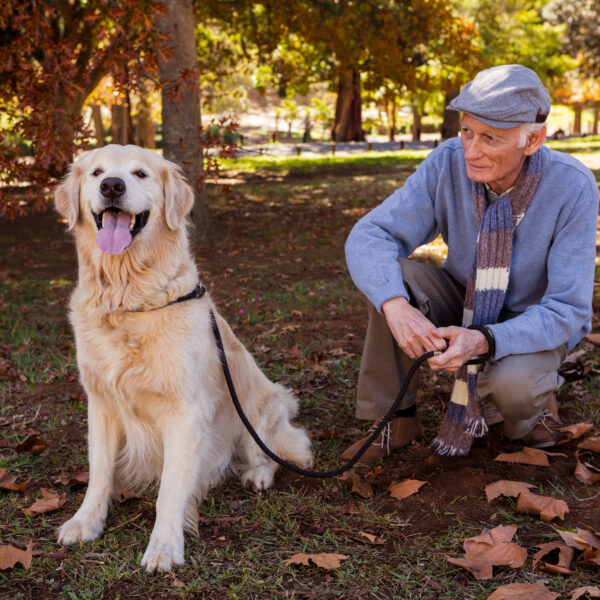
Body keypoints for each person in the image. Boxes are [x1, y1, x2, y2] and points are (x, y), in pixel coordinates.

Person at [343, 64, 599, 463]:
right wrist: (395, 306)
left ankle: (534, 413)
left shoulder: (573, 186)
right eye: (466, 131)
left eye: (490, 138)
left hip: (529, 317)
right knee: (396, 280)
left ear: (532, 139)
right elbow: (370, 234)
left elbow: (569, 308)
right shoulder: (447, 163)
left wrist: (485, 340)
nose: (471, 150)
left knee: (514, 385)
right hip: (464, 297)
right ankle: (396, 419)